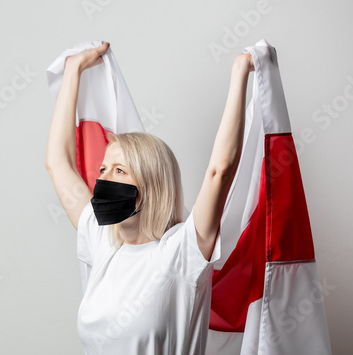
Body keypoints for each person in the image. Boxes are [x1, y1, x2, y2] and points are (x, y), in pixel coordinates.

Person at [45, 41, 254, 354]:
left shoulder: (182, 252)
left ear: (151, 184)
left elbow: (219, 171)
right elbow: (57, 163)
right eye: (102, 169)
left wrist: (240, 72)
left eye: (119, 170)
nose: (103, 179)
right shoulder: (103, 242)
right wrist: (73, 71)